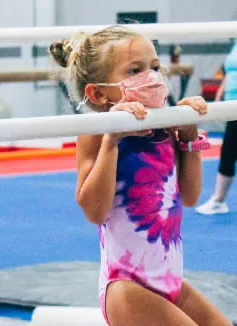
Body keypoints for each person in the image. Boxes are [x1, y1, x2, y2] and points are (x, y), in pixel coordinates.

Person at [49, 26, 230, 325]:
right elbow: (95, 211)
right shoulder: (95, 132)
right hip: (126, 287)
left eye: (155, 67)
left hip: (169, 281)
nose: (153, 76)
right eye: (136, 70)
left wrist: (188, 136)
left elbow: (190, 196)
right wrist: (112, 139)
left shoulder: (166, 128)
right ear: (98, 91)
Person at [196, 41, 237, 215]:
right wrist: (220, 92)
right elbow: (230, 71)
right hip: (232, 105)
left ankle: (219, 199)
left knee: (229, 150)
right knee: (228, 151)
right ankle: (219, 200)